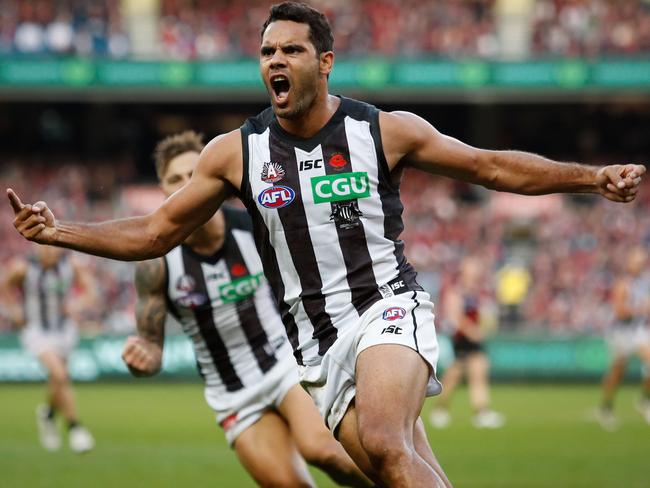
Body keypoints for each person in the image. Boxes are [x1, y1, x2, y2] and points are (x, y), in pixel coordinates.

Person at [7, 2, 646, 485]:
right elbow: (154, 233)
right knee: (393, 470)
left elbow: (490, 167)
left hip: (387, 305)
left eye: (290, 50)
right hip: (315, 343)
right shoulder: (236, 153)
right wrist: (61, 230)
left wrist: (591, 177)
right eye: (266, 53)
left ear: (325, 61)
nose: (275, 62)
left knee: (385, 441)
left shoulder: (385, 131)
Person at [121, 130, 371, 487]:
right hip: (234, 393)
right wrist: (143, 358)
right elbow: (150, 343)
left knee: (324, 450)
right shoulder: (155, 265)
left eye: (193, 174)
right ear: (161, 189)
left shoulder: (256, 227)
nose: (184, 185)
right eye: (173, 179)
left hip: (288, 364)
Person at [0, 245, 96, 453]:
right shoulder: (23, 268)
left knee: (57, 381)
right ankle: (75, 428)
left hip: (64, 330)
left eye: (53, 248)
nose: (50, 252)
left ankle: (49, 414)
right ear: (36, 248)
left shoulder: (70, 266)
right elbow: (4, 286)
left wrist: (77, 305)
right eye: (45, 248)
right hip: (37, 331)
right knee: (60, 375)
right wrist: (14, 311)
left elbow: (90, 291)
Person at [429, 256, 505, 429]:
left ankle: (479, 412)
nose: (476, 272)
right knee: (454, 375)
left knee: (476, 372)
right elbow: (454, 316)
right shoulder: (456, 291)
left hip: (473, 338)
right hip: (462, 338)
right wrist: (472, 330)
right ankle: (442, 410)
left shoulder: (476, 292)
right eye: (472, 269)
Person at [595, 246, 650, 430]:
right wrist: (640, 309)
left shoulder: (645, 282)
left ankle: (644, 400)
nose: (641, 264)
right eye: (637, 261)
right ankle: (606, 406)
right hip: (622, 331)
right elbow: (619, 310)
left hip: (639, 330)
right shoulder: (623, 284)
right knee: (618, 371)